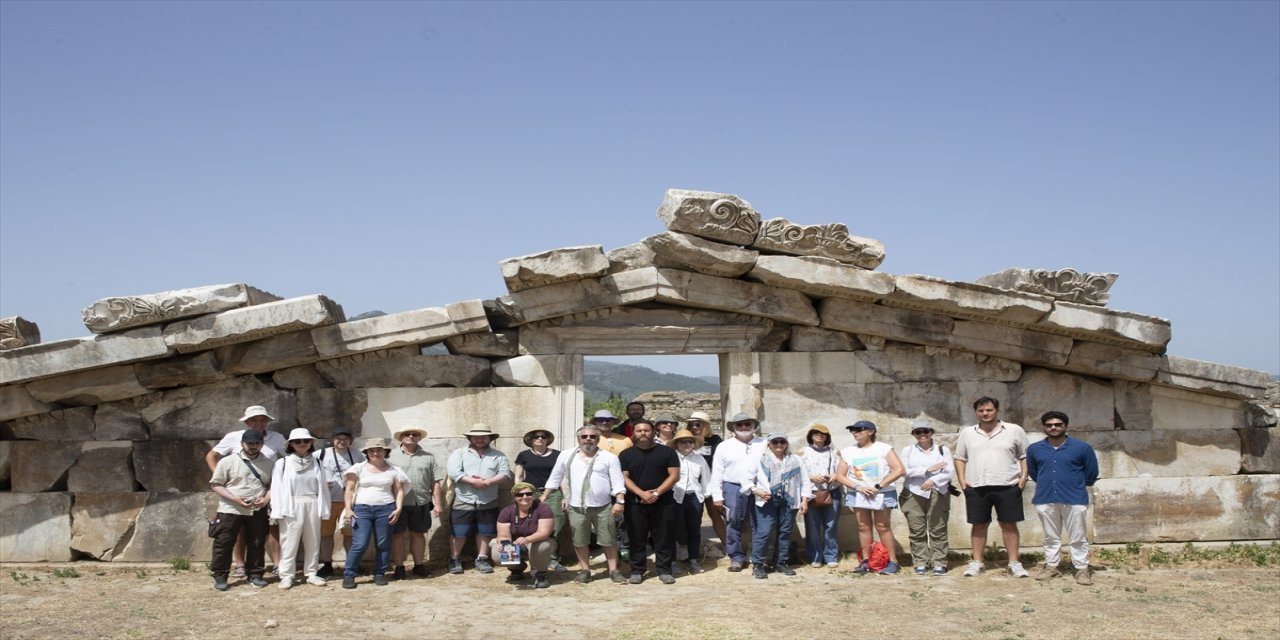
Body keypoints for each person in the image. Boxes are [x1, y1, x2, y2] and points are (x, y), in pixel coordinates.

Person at [954, 396, 1031, 578]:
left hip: (1007, 484)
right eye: (981, 411)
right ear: (976, 413)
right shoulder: (968, 433)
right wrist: (962, 480)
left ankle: (1014, 562)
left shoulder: (1014, 430)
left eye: (989, 410)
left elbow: (1024, 455)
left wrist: (1024, 476)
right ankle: (977, 562)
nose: (985, 414)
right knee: (978, 525)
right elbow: (960, 457)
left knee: (1009, 524)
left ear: (996, 410)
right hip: (977, 485)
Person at [205, 405, 285, 578]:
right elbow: (211, 456)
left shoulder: (276, 438)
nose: (258, 423)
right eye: (254, 420)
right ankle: (239, 565)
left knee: (267, 530)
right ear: (246, 422)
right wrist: (224, 481)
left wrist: (270, 493)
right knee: (235, 531)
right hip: (235, 495)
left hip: (265, 492)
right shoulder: (233, 438)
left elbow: (287, 459)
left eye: (262, 419)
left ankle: (270, 566)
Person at [542, 424, 627, 584]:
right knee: (580, 540)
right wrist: (544, 496)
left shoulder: (609, 457)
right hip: (577, 506)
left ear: (598, 439)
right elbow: (555, 477)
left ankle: (614, 570)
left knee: (608, 540)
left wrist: (620, 502)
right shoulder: (566, 455)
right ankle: (585, 570)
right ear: (578, 439)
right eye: (584, 436)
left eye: (592, 436)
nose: (588, 439)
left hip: (603, 506)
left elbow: (617, 482)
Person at [1027, 411, 1099, 585]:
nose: (1053, 427)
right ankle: (1052, 566)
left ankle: (1081, 569)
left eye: (1058, 424)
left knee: (1078, 536)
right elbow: (1034, 472)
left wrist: (1074, 484)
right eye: (1049, 425)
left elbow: (1091, 473)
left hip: (1074, 497)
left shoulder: (1082, 448)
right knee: (1050, 536)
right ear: (1044, 427)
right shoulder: (1034, 449)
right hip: (1045, 497)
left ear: (1065, 426)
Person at [836, 420, 906, 575]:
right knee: (863, 527)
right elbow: (840, 475)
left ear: (871, 431)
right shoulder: (848, 451)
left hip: (881, 493)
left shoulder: (883, 448)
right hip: (858, 493)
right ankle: (866, 561)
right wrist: (857, 487)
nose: (855, 432)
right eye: (853, 430)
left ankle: (893, 561)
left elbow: (899, 469)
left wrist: (879, 486)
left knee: (883, 526)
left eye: (859, 430)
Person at [208, 429, 273, 591]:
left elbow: (274, 485)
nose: (253, 446)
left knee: (257, 542)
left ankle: (255, 574)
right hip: (231, 509)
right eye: (250, 443)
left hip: (257, 509)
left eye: (257, 443)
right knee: (224, 543)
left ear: (262, 444)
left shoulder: (269, 463)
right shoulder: (228, 461)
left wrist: (265, 499)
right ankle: (220, 576)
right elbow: (216, 484)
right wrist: (235, 499)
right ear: (242, 444)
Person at [340, 437, 408, 589]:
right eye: (371, 450)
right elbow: (349, 489)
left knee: (383, 543)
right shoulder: (357, 468)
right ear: (367, 452)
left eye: (379, 450)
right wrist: (349, 509)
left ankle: (380, 573)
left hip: (386, 508)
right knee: (360, 543)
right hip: (362, 509)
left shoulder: (394, 470)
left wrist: (398, 508)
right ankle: (349, 574)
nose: (375, 453)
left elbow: (399, 491)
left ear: (385, 452)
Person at [618, 420, 680, 584]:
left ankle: (665, 570)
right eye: (639, 431)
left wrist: (657, 493)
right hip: (635, 502)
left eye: (646, 430)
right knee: (636, 537)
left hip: (663, 500)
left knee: (664, 537)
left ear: (653, 432)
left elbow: (674, 476)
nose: (643, 433)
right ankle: (637, 571)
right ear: (634, 433)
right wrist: (641, 494)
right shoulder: (626, 454)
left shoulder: (667, 452)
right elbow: (624, 478)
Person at [446, 423, 511, 575]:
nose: (480, 439)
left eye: (483, 436)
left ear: (490, 438)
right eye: (476, 436)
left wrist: (489, 482)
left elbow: (505, 473)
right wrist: (472, 481)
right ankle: (454, 559)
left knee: (485, 531)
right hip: (463, 499)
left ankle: (481, 558)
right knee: (458, 532)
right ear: (470, 438)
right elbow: (453, 472)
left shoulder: (498, 455)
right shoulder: (459, 453)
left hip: (489, 499)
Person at [269, 428, 330, 589]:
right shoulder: (282, 463)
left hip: (312, 502)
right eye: (297, 441)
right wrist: (277, 510)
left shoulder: (317, 462)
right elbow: (276, 488)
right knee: (289, 541)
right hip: (291, 504)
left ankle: (311, 573)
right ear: (291, 444)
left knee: (313, 540)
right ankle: (287, 575)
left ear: (311, 443)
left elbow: (322, 486)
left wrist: (324, 508)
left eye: (306, 441)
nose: (302, 444)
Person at [746, 432, 812, 578]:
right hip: (767, 499)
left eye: (782, 442)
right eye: (775, 442)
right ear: (769, 444)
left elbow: (805, 481)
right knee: (764, 532)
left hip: (789, 500)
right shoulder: (760, 459)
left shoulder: (795, 460)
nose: (779, 445)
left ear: (786, 443)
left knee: (785, 532)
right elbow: (747, 479)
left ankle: (781, 562)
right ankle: (758, 564)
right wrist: (757, 491)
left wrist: (805, 499)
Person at [709, 412, 767, 572]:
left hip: (759, 487)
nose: (743, 427)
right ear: (733, 427)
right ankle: (736, 557)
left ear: (753, 426)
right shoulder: (724, 446)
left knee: (759, 522)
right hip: (732, 486)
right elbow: (717, 472)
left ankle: (757, 557)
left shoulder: (764, 443)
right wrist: (717, 495)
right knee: (733, 521)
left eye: (747, 424)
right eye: (739, 424)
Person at [899, 419, 953, 576]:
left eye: (925, 431)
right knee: (917, 530)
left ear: (931, 432)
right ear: (913, 434)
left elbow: (948, 471)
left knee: (938, 529)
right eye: (918, 432)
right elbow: (904, 471)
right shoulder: (908, 451)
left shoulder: (943, 450)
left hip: (938, 492)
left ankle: (939, 562)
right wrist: (928, 469)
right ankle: (920, 561)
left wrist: (932, 480)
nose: (922, 434)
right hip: (913, 492)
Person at [388, 426, 444, 580]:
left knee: (418, 534)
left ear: (419, 438)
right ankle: (399, 567)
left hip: (421, 501)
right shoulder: (390, 457)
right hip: (397, 503)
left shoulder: (429, 457)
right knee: (397, 535)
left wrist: (438, 504)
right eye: (407, 434)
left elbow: (436, 482)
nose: (411, 436)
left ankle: (419, 565)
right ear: (401, 437)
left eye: (415, 434)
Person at [514, 427, 568, 572]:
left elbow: (562, 476)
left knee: (557, 525)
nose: (540, 439)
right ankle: (530, 556)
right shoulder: (524, 455)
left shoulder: (558, 455)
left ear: (547, 439)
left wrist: (565, 496)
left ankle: (553, 559)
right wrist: (518, 494)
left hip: (553, 493)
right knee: (528, 524)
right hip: (529, 493)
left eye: (543, 436)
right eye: (536, 436)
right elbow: (518, 476)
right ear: (530, 440)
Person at [316, 427, 363, 578]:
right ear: (332, 440)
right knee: (325, 534)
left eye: (345, 439)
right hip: (327, 500)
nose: (342, 442)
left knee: (350, 534)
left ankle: (352, 563)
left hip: (349, 502)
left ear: (350, 441)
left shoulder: (358, 455)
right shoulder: (320, 454)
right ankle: (327, 564)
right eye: (338, 439)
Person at [491, 482, 557, 588]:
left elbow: (544, 532)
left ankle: (539, 574)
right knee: (497, 553)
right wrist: (502, 543)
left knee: (542, 546)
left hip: (537, 541)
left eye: (528, 494)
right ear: (514, 498)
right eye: (519, 495)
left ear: (533, 495)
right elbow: (503, 535)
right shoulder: (507, 511)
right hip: (515, 543)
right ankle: (516, 569)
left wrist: (527, 539)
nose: (525, 497)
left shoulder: (543, 509)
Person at [800, 423, 841, 568]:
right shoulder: (802, 452)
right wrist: (810, 477)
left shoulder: (834, 452)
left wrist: (835, 475)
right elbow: (797, 472)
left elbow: (843, 469)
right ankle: (815, 556)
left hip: (831, 491)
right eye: (816, 433)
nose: (819, 435)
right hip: (810, 493)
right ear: (810, 435)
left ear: (827, 437)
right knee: (812, 526)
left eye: (823, 433)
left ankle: (831, 555)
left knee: (831, 526)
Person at [670, 429, 711, 574]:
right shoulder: (671, 457)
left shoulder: (699, 459)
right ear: (677, 444)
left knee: (694, 529)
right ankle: (672, 561)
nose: (687, 444)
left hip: (694, 496)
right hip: (675, 496)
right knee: (673, 529)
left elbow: (706, 478)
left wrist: (705, 495)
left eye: (690, 442)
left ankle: (693, 560)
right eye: (683, 442)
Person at [686, 411, 727, 547]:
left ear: (705, 426)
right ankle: (693, 548)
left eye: (698, 425)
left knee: (715, 516)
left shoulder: (715, 440)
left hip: (710, 482)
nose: (694, 428)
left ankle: (728, 546)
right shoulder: (686, 440)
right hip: (692, 484)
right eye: (691, 425)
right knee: (693, 518)